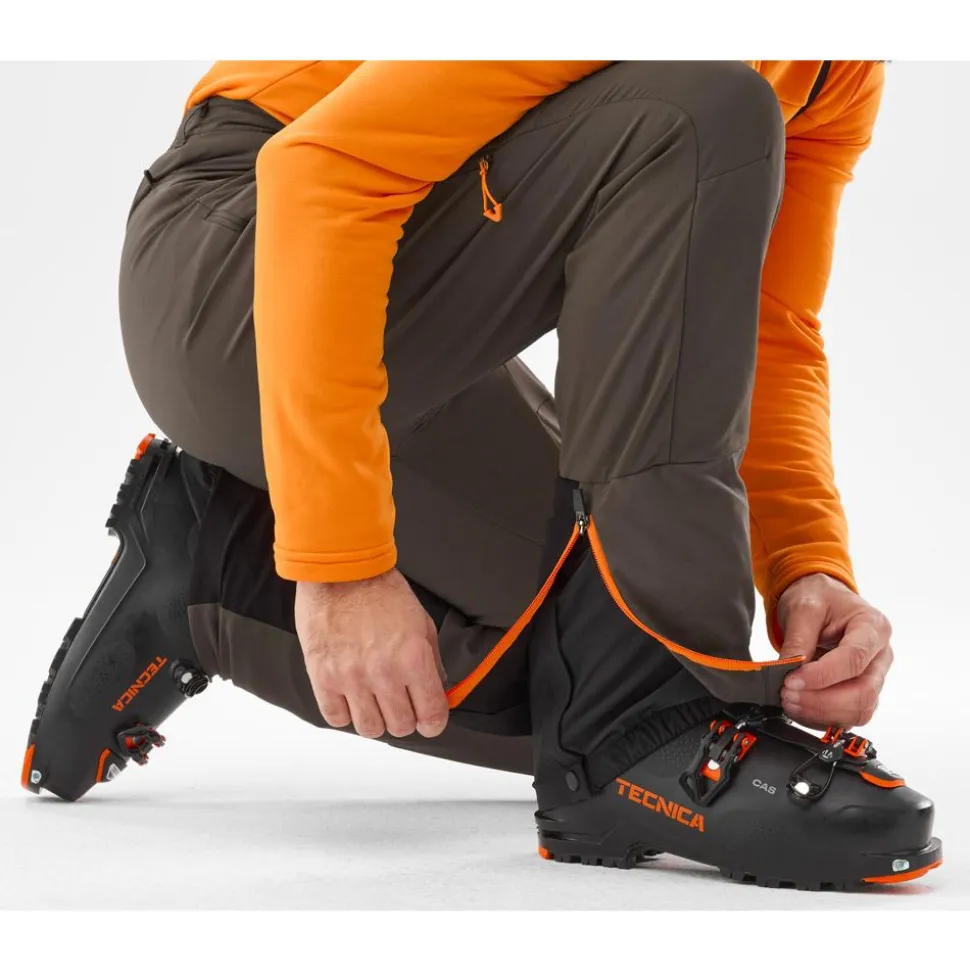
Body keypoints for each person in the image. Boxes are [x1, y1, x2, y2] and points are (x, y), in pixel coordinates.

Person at [22, 60, 941, 889]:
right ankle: (642, 729)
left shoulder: (840, 65)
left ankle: (208, 565)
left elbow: (764, 324)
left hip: (395, 329)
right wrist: (340, 564)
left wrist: (807, 564)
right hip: (240, 262)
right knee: (700, 107)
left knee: (586, 655)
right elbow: (322, 174)